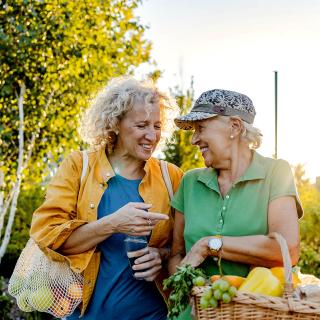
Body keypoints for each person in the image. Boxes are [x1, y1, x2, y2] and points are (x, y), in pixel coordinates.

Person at [30, 77, 183, 319]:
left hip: (153, 313)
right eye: (142, 125)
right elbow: (48, 237)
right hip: (84, 313)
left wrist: (161, 256)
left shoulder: (171, 176)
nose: (152, 136)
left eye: (157, 126)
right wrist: (113, 223)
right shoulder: (79, 166)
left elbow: (182, 247)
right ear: (115, 123)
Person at [168, 89, 302, 319]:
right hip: (192, 314)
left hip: (250, 313)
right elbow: (176, 254)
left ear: (235, 127)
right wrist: (183, 289)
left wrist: (209, 246)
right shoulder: (190, 182)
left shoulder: (275, 173)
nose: (193, 139)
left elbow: (286, 249)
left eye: (201, 128)